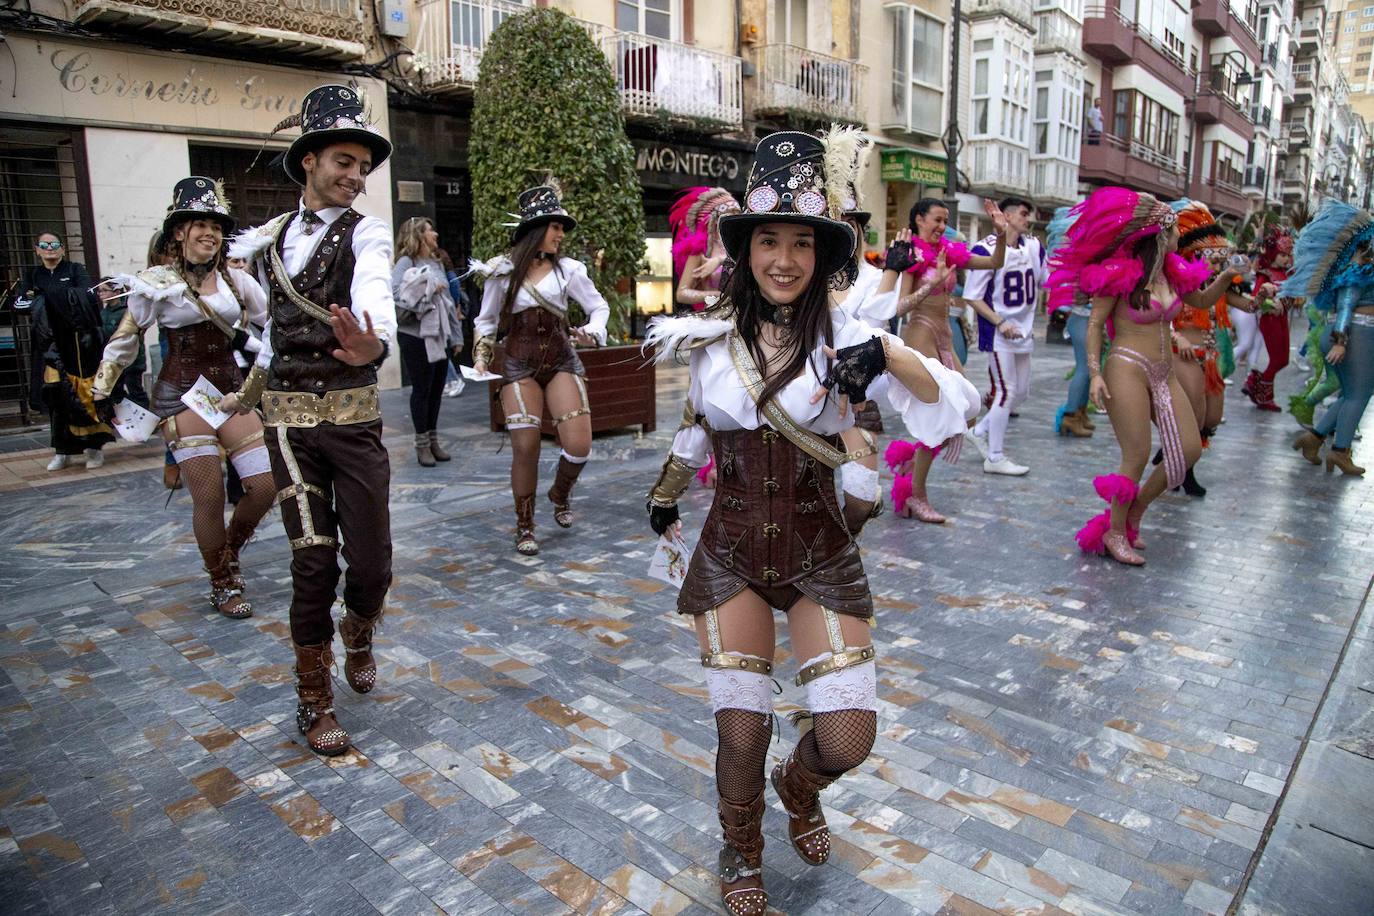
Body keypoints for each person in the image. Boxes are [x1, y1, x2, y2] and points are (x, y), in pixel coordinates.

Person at [642, 128, 979, 916]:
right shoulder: (711, 341)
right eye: (769, 240)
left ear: (825, 254)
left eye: (802, 242)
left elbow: (954, 405)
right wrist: (667, 490)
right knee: (740, 733)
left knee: (847, 738)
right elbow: (696, 427)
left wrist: (887, 361)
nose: (785, 259)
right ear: (747, 248)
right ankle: (741, 846)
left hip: (821, 552)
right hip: (730, 555)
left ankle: (800, 787)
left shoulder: (851, 335)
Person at [221, 84, 397, 757]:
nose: (355, 176)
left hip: (354, 426)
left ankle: (360, 629)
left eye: (363, 166)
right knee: (312, 563)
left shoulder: (369, 233)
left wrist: (372, 342)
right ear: (309, 162)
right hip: (289, 428)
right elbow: (269, 337)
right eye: (344, 162)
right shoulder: (270, 245)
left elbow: (373, 289)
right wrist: (249, 390)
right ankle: (313, 700)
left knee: (372, 566)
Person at [92, 177, 273, 618]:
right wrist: (102, 386)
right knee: (209, 497)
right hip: (184, 396)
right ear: (178, 232)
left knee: (265, 486)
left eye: (215, 225)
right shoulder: (154, 284)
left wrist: (263, 378)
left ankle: (226, 552)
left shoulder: (237, 281)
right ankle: (222, 581)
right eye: (199, 224)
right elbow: (126, 338)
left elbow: (271, 328)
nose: (209, 232)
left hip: (230, 392)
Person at [1047, 187, 1214, 566]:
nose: (1179, 238)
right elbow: (1093, 326)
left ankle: (1135, 510)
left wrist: (1226, 276)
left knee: (1188, 449)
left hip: (1164, 370)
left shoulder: (1171, 274)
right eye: (1174, 231)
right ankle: (1115, 532)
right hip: (1125, 367)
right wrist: (1094, 375)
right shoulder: (1118, 275)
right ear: (1160, 235)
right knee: (1136, 454)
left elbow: (1201, 300)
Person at [470, 180, 609, 556]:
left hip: (562, 358)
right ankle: (525, 524)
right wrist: (482, 355)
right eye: (556, 227)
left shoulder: (570, 271)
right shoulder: (502, 272)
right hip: (518, 363)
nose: (561, 234)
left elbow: (599, 308)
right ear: (537, 229)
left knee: (580, 445)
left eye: (562, 228)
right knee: (526, 444)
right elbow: (485, 321)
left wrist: (592, 331)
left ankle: (559, 493)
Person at [885, 197, 1011, 522]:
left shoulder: (948, 252)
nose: (942, 227)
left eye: (945, 221)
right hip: (921, 334)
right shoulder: (911, 255)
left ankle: (912, 470)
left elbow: (994, 263)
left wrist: (1001, 234)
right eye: (937, 220)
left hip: (945, 335)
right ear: (918, 220)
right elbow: (900, 308)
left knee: (968, 410)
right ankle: (917, 494)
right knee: (941, 415)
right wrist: (935, 285)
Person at [1164, 201, 1257, 498]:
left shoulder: (1219, 284)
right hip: (1183, 353)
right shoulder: (1174, 281)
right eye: (1212, 259)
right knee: (1191, 417)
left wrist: (1266, 298)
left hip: (1211, 355)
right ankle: (1184, 471)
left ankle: (1172, 458)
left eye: (1220, 260)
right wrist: (1176, 337)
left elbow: (1248, 304)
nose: (1217, 265)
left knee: (1211, 419)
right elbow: (1160, 315)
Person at [1286, 200, 1374, 476]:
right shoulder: (1356, 272)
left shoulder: (1355, 271)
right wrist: (1340, 341)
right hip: (1353, 335)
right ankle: (1339, 452)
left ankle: (1314, 438)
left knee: (1352, 394)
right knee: (1358, 395)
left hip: (1351, 334)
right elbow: (1347, 305)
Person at [965, 196, 1047, 475]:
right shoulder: (985, 248)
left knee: (1020, 392)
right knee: (1005, 391)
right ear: (1007, 216)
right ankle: (995, 456)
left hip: (1023, 331)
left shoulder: (1035, 247)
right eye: (1024, 213)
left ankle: (981, 431)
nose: (1029, 219)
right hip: (999, 331)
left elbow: (1046, 280)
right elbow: (973, 297)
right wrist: (1000, 322)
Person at [23, 232, 112, 470]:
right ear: (37, 249)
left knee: (85, 395)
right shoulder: (33, 274)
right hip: (49, 347)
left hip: (78, 346)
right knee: (56, 397)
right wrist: (49, 301)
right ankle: (62, 450)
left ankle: (93, 448)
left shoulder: (75, 270)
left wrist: (47, 297)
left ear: (62, 249)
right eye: (45, 245)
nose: (50, 248)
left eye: (54, 244)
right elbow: (20, 302)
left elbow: (86, 296)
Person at [392, 217, 459, 466]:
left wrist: (456, 336)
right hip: (414, 336)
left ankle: (433, 440)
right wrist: (427, 294)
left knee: (436, 390)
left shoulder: (435, 261)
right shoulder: (405, 262)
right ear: (418, 235)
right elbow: (397, 295)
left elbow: (449, 304)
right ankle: (422, 444)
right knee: (422, 389)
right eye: (430, 231)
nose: (436, 234)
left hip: (438, 334)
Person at [1045, 206, 1094, 438]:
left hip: (1084, 319)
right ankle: (1071, 416)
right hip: (1081, 319)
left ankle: (1080, 413)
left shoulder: (1082, 259)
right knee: (1084, 369)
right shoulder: (1078, 261)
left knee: (1088, 370)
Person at [1247, 228, 1295, 411]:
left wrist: (1285, 304)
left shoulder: (1288, 274)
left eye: (1287, 255)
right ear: (1274, 253)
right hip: (1270, 320)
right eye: (1282, 254)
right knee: (1277, 359)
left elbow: (1292, 297)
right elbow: (1256, 297)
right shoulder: (1265, 274)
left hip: (1282, 319)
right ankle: (1262, 393)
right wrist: (1271, 304)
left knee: (1283, 360)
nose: (1285, 258)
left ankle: (1255, 382)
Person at [671, 186, 739, 311]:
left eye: (737, 216)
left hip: (745, 317)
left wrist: (719, 260)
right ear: (715, 220)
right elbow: (682, 294)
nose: (734, 223)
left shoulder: (742, 246)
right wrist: (720, 296)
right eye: (729, 217)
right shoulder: (702, 250)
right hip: (713, 318)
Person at [95, 278, 148, 407]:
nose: (100, 293)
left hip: (132, 360)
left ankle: (147, 417)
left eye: (104, 290)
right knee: (116, 391)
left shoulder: (128, 310)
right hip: (114, 359)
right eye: (99, 291)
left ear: (116, 291)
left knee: (135, 389)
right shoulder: (103, 313)